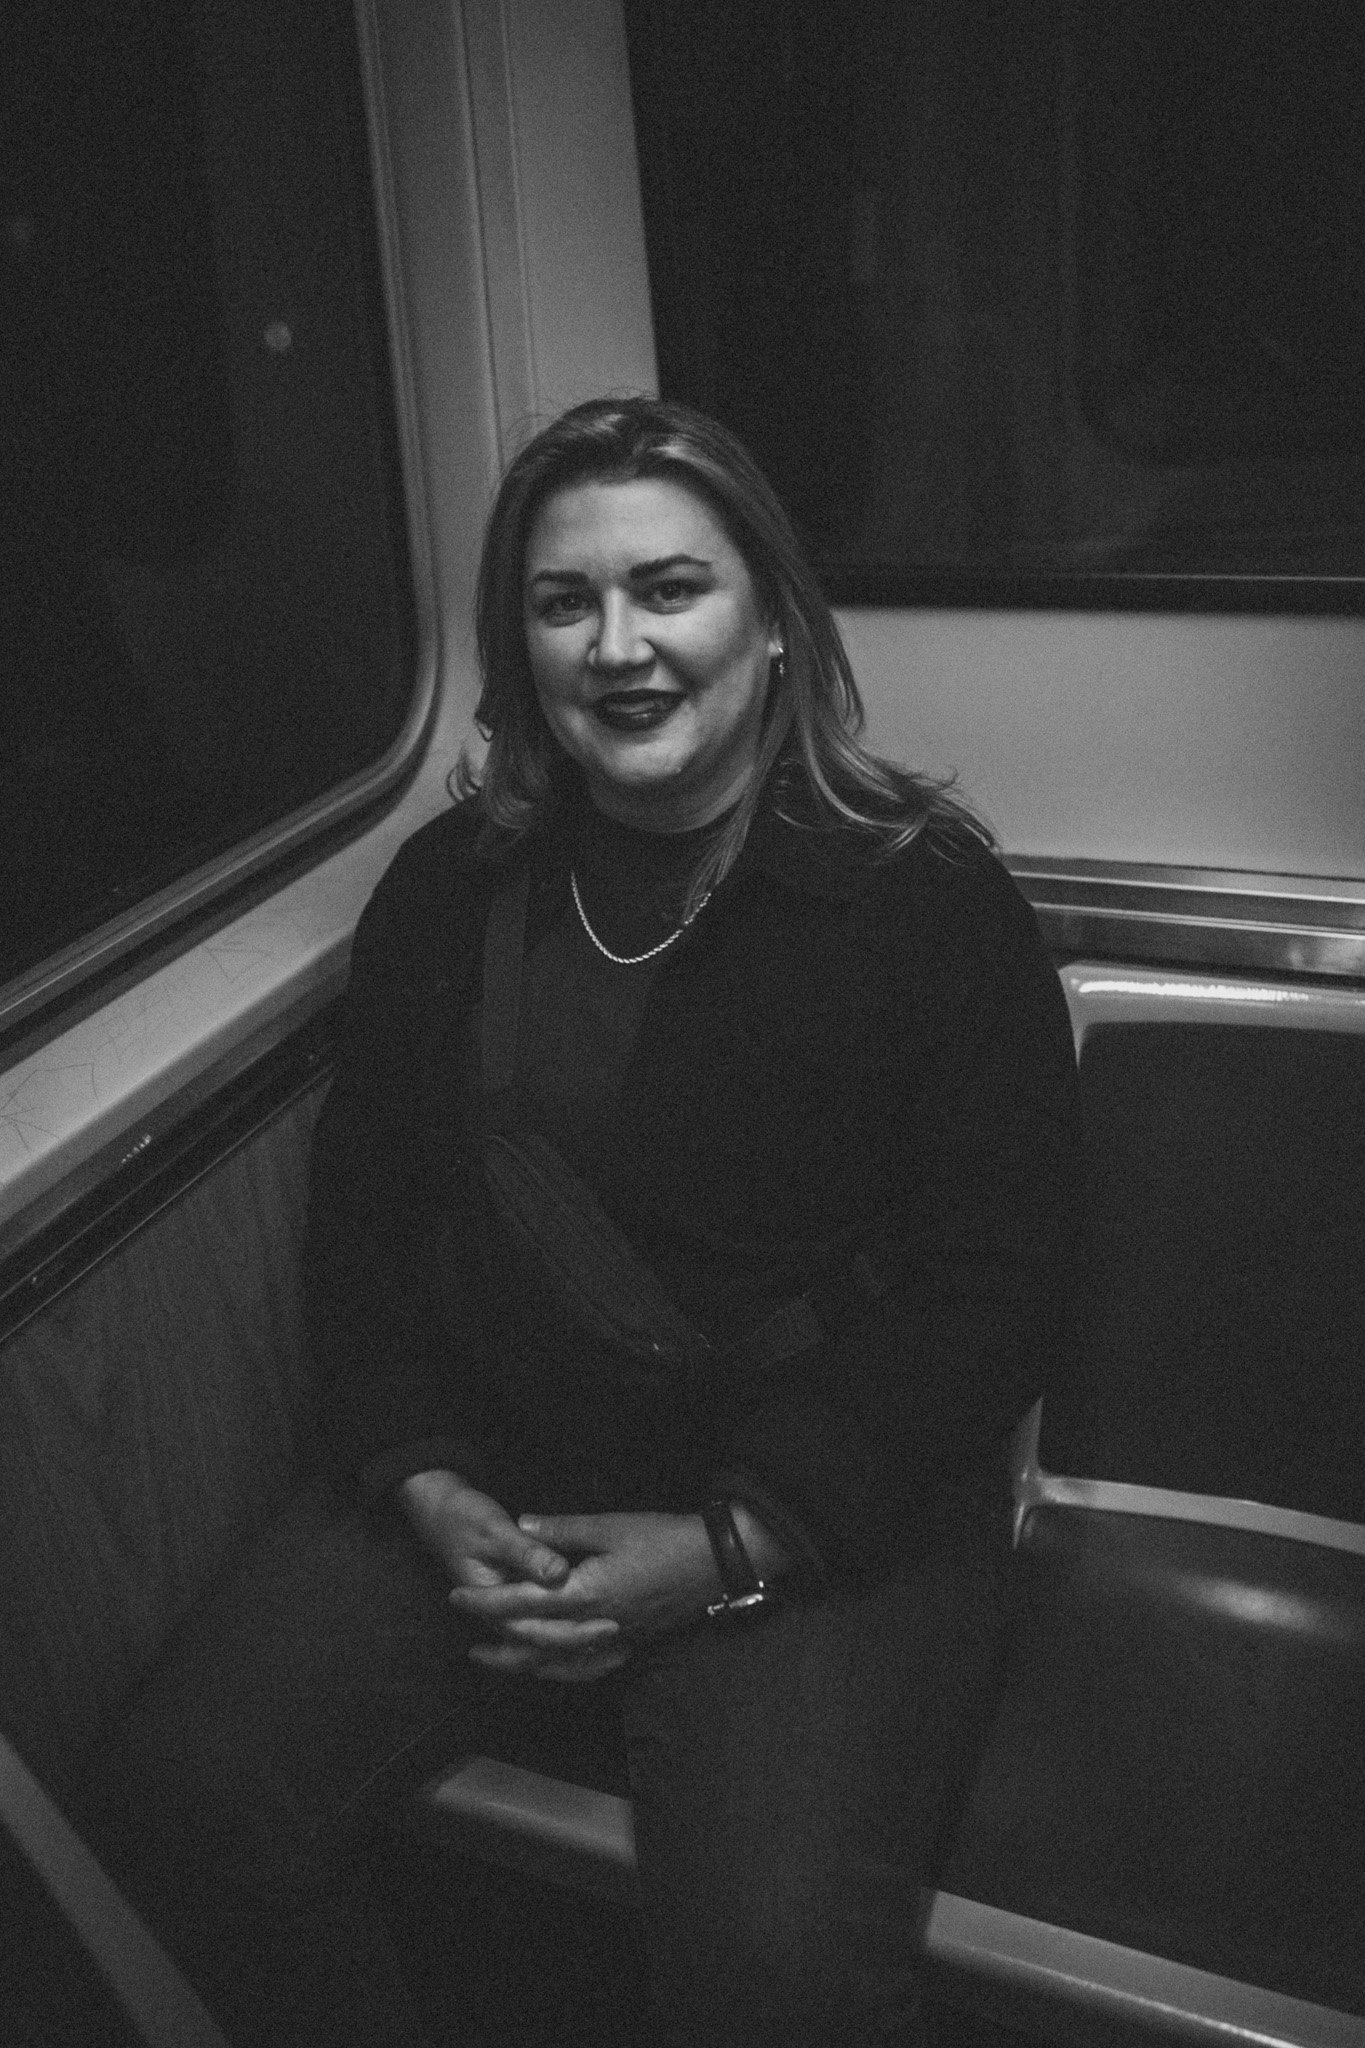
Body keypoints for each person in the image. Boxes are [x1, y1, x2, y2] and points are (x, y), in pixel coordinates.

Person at [79, 396, 1079, 2046]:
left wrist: (727, 1551)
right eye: (565, 604)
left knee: (769, 1988)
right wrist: (420, 1472)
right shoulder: (451, 886)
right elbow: (366, 1223)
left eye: (670, 589)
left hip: (818, 1501)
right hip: (497, 1463)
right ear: (521, 642)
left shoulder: (928, 903)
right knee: (174, 1810)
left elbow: (998, 1294)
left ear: (770, 627)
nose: (620, 645)